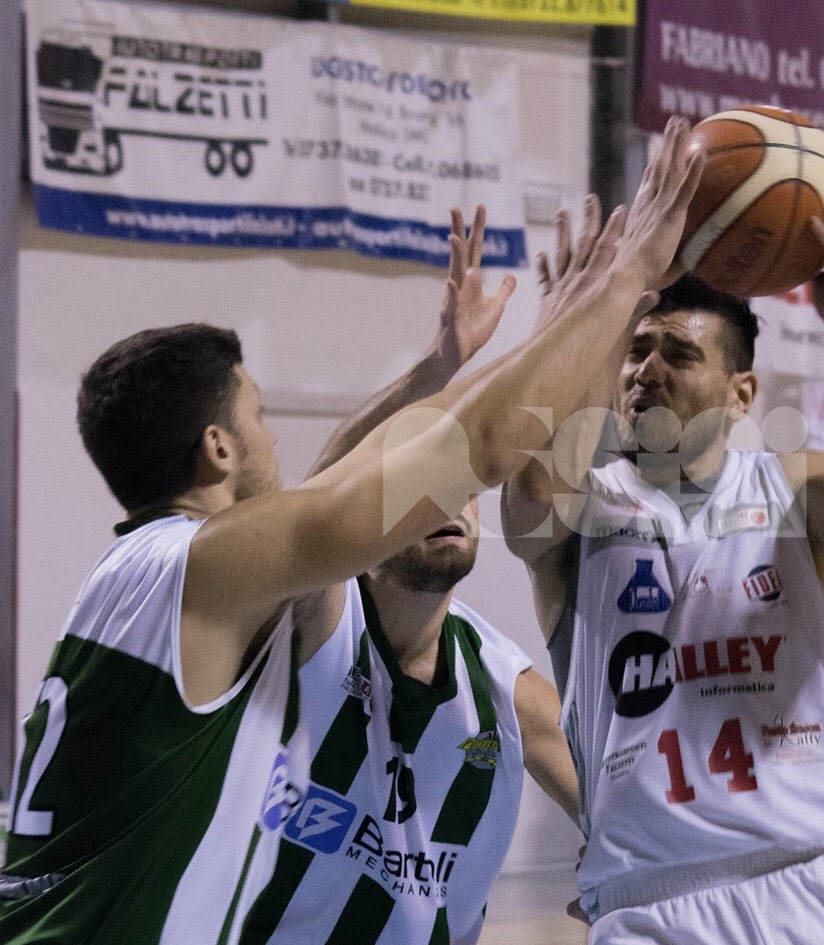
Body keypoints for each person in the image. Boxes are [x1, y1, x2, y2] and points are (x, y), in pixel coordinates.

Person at [0, 118, 704, 945]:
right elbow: (460, 451)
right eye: (260, 415)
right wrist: (621, 283)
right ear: (218, 447)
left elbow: (344, 479)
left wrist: (445, 365)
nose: (274, 441)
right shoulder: (200, 569)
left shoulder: (160, 573)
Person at [503, 170, 824, 944]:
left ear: (741, 394)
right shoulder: (582, 509)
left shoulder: (790, 484)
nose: (646, 369)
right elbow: (532, 493)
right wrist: (592, 315)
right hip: (655, 897)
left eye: (677, 353)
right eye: (635, 350)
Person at [240, 209, 577, 945]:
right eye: (420, 493)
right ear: (366, 530)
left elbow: (625, 814)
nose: (448, 504)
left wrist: (627, 865)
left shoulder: (506, 687)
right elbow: (319, 496)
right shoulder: (319, 625)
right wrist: (439, 364)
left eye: (460, 489)